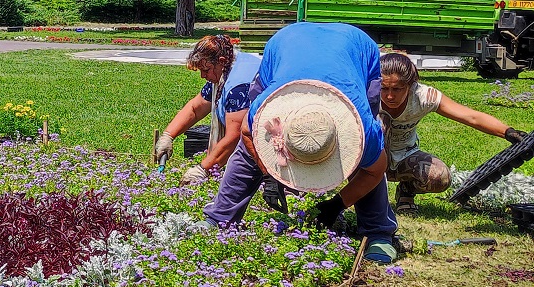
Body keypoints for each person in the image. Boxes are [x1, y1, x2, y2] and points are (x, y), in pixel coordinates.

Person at [197, 22, 399, 263]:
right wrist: (269, 172)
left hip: (355, 45)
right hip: (286, 42)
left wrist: (336, 204)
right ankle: (219, 217)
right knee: (249, 152)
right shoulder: (263, 114)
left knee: (363, 157)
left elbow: (375, 171)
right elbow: (247, 133)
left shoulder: (362, 129)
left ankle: (378, 233)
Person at [379, 52, 527, 215]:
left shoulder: (423, 96)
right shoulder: (368, 95)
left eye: (397, 89)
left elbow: (470, 117)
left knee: (440, 177)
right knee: (380, 122)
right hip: (371, 158)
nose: (390, 96)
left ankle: (406, 191)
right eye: (384, 88)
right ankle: (370, 198)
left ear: (410, 85)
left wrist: (508, 132)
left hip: (403, 157)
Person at [154, 35, 262, 185]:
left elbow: (234, 137)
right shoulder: (224, 70)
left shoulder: (239, 86)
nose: (203, 75)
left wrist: (202, 169)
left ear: (221, 62)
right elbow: (195, 108)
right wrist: (168, 136)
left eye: (206, 70)